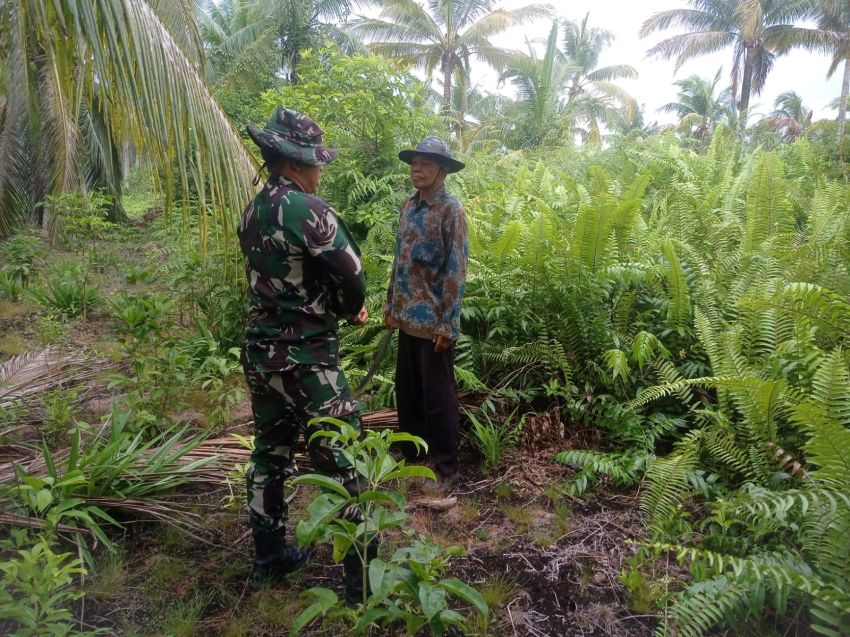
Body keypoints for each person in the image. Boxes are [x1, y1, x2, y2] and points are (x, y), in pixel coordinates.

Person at [239, 107, 369, 594]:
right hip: (306, 358)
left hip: (260, 352)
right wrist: (343, 306)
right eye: (315, 162)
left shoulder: (253, 210)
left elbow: (275, 276)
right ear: (294, 164)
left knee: (270, 453)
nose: (319, 171)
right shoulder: (309, 211)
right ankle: (360, 581)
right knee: (344, 459)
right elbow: (352, 274)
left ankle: (267, 559)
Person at [385, 135, 468, 490]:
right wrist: (391, 306)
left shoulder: (451, 211)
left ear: (443, 170)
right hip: (406, 319)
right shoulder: (409, 206)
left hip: (434, 323)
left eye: (426, 164)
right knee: (407, 391)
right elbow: (400, 261)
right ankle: (411, 452)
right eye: (414, 163)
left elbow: (455, 270)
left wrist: (447, 324)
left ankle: (447, 467)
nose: (416, 169)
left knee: (438, 397)